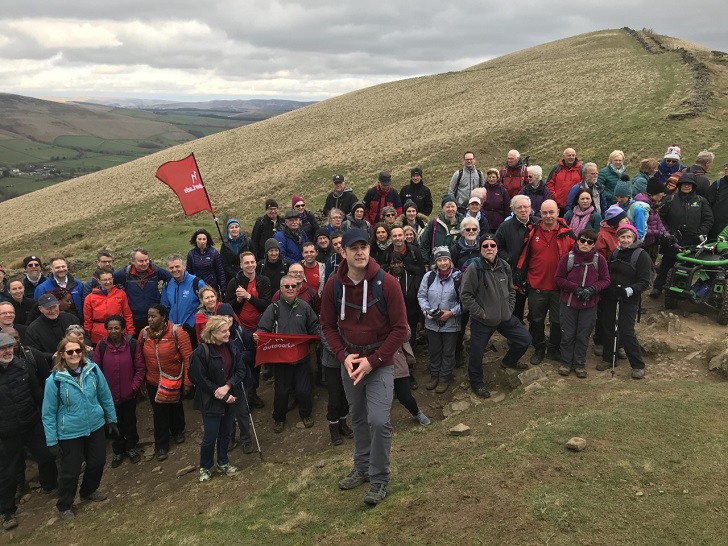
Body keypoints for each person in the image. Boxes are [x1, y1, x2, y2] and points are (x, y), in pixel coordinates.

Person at [320, 228, 408, 506]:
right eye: (353, 248)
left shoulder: (388, 284)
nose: (360, 252)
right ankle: (362, 466)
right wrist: (342, 355)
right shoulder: (333, 285)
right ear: (342, 252)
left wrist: (373, 361)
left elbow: (400, 330)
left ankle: (379, 478)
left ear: (369, 250)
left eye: (364, 247)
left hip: (379, 361)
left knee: (379, 421)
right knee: (357, 416)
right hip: (350, 362)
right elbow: (326, 325)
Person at [42, 335, 117, 520]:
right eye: (70, 351)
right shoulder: (54, 381)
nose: (75, 354)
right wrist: (51, 440)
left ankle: (89, 490)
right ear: (62, 354)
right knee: (71, 471)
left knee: (98, 461)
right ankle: (64, 504)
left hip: (95, 425)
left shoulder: (93, 370)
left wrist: (111, 419)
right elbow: (48, 413)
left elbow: (104, 394)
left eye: (78, 350)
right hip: (69, 433)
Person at [461, 234, 532, 398]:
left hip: (505, 317)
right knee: (477, 353)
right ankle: (477, 383)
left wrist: (509, 309)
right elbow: (465, 296)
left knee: (525, 339)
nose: (489, 249)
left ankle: (509, 361)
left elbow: (511, 290)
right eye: (485, 246)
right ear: (480, 249)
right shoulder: (474, 268)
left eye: (492, 245)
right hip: (483, 321)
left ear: (497, 248)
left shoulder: (504, 266)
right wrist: (481, 313)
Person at [0, 333, 57, 531]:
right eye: (2, 348)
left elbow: (37, 392)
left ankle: (51, 486)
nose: (7, 351)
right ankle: (7, 511)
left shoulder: (22, 366)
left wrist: (43, 414)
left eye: (9, 347)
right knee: (7, 472)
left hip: (32, 423)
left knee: (47, 456)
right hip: (7, 432)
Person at [256, 275, 320, 433]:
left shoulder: (305, 307)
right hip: (281, 359)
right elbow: (263, 328)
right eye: (287, 286)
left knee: (303, 389)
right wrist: (259, 335)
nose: (290, 288)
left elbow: (314, 327)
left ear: (298, 289)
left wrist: (319, 336)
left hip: (301, 357)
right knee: (281, 391)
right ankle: (279, 418)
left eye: (293, 286)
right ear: (281, 289)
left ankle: (306, 414)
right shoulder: (274, 308)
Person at [515, 200, 575, 365]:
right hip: (536, 286)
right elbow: (523, 257)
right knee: (535, 319)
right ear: (540, 214)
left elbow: (576, 259)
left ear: (558, 213)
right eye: (545, 213)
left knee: (557, 321)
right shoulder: (532, 231)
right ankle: (539, 347)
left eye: (551, 212)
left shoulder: (568, 234)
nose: (548, 216)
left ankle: (554, 348)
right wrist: (520, 279)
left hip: (559, 287)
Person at [190, 316, 247, 482]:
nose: (227, 333)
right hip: (210, 401)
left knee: (225, 434)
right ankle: (205, 467)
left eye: (228, 330)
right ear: (213, 333)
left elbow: (240, 370)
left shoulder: (232, 347)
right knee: (210, 435)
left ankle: (223, 462)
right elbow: (199, 379)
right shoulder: (201, 352)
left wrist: (228, 387)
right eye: (223, 331)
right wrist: (219, 392)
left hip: (230, 398)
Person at [597, 224, 652, 378]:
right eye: (622, 237)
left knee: (626, 331)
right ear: (618, 238)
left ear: (634, 238)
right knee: (608, 327)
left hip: (628, 300)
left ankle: (637, 365)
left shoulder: (641, 255)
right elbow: (607, 273)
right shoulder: (615, 253)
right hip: (611, 297)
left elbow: (644, 281)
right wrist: (607, 288)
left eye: (629, 237)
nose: (626, 240)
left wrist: (628, 290)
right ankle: (608, 358)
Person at [139, 304, 193, 461]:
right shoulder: (144, 334)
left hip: (174, 379)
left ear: (163, 317)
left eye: (154, 316)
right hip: (153, 381)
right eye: (148, 316)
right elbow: (139, 359)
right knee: (159, 412)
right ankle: (161, 444)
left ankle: (177, 431)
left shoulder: (177, 332)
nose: (150, 319)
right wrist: (141, 381)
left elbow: (188, 357)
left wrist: (188, 381)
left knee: (175, 405)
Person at [554, 229, 610, 377]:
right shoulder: (568, 258)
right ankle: (566, 363)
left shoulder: (600, 260)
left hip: (590, 305)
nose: (585, 244)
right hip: (569, 303)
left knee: (583, 335)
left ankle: (579, 364)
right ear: (577, 240)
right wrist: (575, 288)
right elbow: (559, 278)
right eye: (583, 240)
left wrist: (592, 289)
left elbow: (606, 280)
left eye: (590, 242)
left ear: (594, 244)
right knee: (567, 335)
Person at [91, 315, 145, 468]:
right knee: (113, 423)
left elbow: (140, 368)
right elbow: (95, 370)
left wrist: (133, 387)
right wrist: (101, 392)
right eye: (110, 328)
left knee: (129, 421)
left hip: (129, 393)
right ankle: (118, 450)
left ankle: (132, 447)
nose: (113, 331)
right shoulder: (101, 346)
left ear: (122, 328)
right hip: (108, 396)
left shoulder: (132, 344)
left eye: (116, 328)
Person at [652, 173, 714, 297]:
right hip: (672, 240)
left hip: (692, 242)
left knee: (687, 267)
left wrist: (700, 232)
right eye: (684, 184)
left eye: (689, 184)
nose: (686, 186)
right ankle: (658, 287)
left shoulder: (701, 201)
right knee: (666, 265)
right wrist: (668, 233)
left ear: (693, 186)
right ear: (679, 185)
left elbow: (709, 219)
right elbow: (660, 218)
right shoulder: (670, 200)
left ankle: (679, 290)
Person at [224, 251, 271, 409]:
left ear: (256, 263)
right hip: (240, 330)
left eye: (252, 262)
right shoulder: (234, 282)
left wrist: (248, 296)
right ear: (241, 265)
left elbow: (266, 304)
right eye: (246, 263)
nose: (250, 265)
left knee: (256, 363)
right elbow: (228, 307)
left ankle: (253, 393)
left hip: (259, 329)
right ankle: (243, 396)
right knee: (241, 363)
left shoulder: (263, 281)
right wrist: (238, 299)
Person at [417, 247, 461, 393]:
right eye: (440, 260)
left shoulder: (458, 278)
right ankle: (434, 375)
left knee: (448, 352)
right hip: (432, 323)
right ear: (436, 262)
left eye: (445, 260)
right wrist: (428, 311)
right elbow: (421, 296)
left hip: (451, 323)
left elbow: (465, 301)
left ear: (450, 261)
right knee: (435, 350)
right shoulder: (428, 277)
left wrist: (451, 313)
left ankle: (444, 378)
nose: (443, 263)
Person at [494, 195, 535, 323]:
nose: (523, 210)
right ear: (513, 209)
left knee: (535, 307)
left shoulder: (538, 223)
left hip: (534, 272)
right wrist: (508, 257)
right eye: (519, 207)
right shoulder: (505, 226)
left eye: (526, 207)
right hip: (514, 273)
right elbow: (497, 246)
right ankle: (516, 336)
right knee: (516, 306)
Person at [113, 248, 172, 335]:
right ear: (133, 261)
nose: (145, 263)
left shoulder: (155, 270)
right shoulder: (125, 273)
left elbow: (170, 277)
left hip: (155, 317)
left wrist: (164, 293)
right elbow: (109, 282)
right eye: (141, 261)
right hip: (135, 318)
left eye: (146, 260)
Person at [25, 293, 82, 364]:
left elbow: (84, 335)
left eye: (54, 307)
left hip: (76, 359)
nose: (52, 310)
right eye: (48, 308)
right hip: (51, 365)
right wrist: (52, 356)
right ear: (40, 309)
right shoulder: (33, 329)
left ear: (58, 305)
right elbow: (33, 352)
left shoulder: (71, 319)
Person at [83, 267, 134, 345]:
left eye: (110, 279)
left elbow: (127, 314)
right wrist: (87, 337)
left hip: (119, 333)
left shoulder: (121, 294)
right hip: (98, 336)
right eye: (104, 280)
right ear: (99, 281)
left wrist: (130, 331)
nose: (108, 282)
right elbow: (87, 320)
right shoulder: (89, 298)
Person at [421, 194, 463, 265]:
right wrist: (426, 263)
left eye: (453, 206)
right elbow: (425, 243)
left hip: (455, 266)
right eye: (447, 207)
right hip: (436, 264)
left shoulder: (463, 225)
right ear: (443, 208)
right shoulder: (434, 223)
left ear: (456, 207)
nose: (450, 209)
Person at [634, 177, 670, 259]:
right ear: (655, 194)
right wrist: (659, 233)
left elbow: (659, 223)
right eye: (661, 193)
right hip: (643, 244)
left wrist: (667, 235)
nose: (663, 195)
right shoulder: (643, 207)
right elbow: (641, 228)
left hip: (652, 242)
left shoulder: (654, 205)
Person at [185, 229, 226, 296]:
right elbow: (188, 272)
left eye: (204, 239)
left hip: (212, 286)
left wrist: (223, 288)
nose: (202, 241)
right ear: (196, 240)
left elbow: (220, 271)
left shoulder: (214, 253)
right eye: (200, 239)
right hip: (196, 286)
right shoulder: (191, 254)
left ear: (207, 240)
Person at [546, 148, 582, 213]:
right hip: (558, 205)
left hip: (574, 205)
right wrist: (554, 196)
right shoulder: (557, 168)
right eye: (569, 155)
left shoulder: (580, 169)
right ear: (564, 157)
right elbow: (549, 184)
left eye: (573, 155)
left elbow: (583, 185)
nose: (571, 157)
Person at [220, 219, 253, 284]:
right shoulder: (224, 244)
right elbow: (224, 263)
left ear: (239, 228)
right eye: (232, 227)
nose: (234, 229)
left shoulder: (248, 242)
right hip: (231, 278)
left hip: (247, 274)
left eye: (236, 227)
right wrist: (234, 275)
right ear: (228, 229)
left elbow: (254, 257)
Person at [708, 162, 728, 240]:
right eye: (725, 166)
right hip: (717, 229)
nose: (725, 169)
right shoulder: (717, 184)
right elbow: (707, 205)